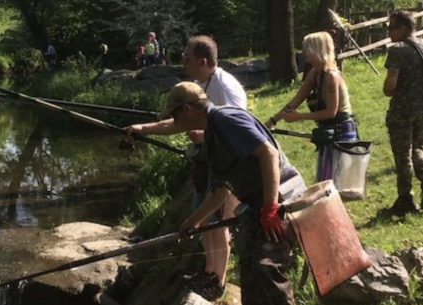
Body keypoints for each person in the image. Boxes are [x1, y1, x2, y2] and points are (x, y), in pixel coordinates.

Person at [125, 35, 247, 301]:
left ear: (203, 61)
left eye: (187, 57)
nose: (182, 60)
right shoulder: (198, 84)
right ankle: (208, 271)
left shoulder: (223, 88)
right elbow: (180, 123)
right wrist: (143, 128)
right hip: (207, 163)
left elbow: (237, 128)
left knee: (219, 223)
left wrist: (203, 137)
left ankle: (219, 280)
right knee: (205, 222)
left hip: (228, 167)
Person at [165, 81, 302, 305]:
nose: (175, 122)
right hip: (257, 206)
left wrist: (270, 208)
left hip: (280, 199)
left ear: (186, 110)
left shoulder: (225, 119)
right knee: (249, 277)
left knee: (266, 271)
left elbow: (269, 154)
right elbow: (220, 192)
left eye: (175, 116)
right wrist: (192, 222)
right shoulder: (211, 137)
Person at [266, 31, 357, 183]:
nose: (303, 52)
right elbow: (294, 103)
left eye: (306, 48)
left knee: (338, 182)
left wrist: (299, 116)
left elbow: (331, 112)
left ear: (317, 49)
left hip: (341, 132)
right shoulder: (314, 73)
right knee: (325, 180)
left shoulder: (331, 76)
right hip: (327, 131)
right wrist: (271, 122)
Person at [381, 10, 423, 215]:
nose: (388, 32)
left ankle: (406, 199)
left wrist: (387, 89)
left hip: (402, 111)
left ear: (405, 28)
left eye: (392, 27)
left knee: (402, 155)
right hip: (422, 111)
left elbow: (390, 85)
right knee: (418, 150)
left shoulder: (397, 49)